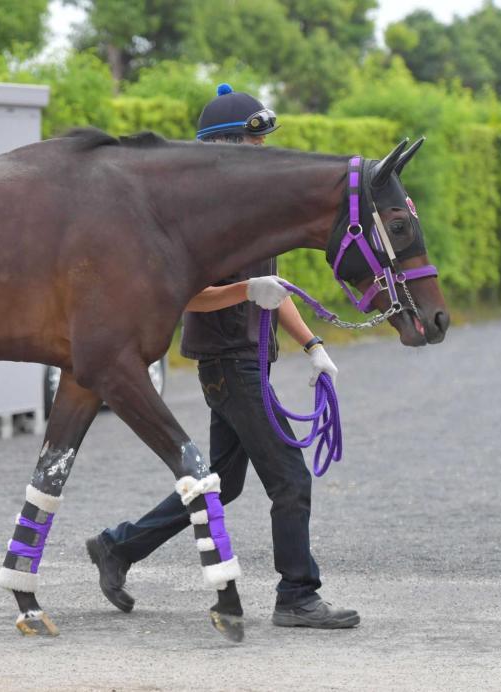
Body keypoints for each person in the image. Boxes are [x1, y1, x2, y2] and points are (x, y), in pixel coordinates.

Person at [86, 84, 360, 629]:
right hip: (227, 362)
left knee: (224, 484)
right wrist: (246, 291)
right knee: (289, 479)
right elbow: (186, 296)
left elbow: (273, 290)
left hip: (249, 360)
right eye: (252, 144)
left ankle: (118, 547)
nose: (260, 153)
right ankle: (298, 596)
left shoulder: (254, 214)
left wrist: (314, 345)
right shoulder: (202, 222)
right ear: (226, 147)